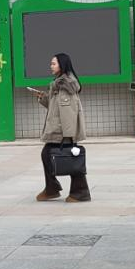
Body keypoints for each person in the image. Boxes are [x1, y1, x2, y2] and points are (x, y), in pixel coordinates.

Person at [30, 53, 90, 202]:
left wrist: (68, 136)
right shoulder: (58, 84)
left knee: (68, 158)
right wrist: (43, 97)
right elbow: (55, 107)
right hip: (60, 130)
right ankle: (57, 189)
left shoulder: (65, 85)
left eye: (53, 64)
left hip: (63, 132)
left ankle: (77, 192)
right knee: (63, 157)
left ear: (62, 65)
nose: (51, 66)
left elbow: (68, 113)